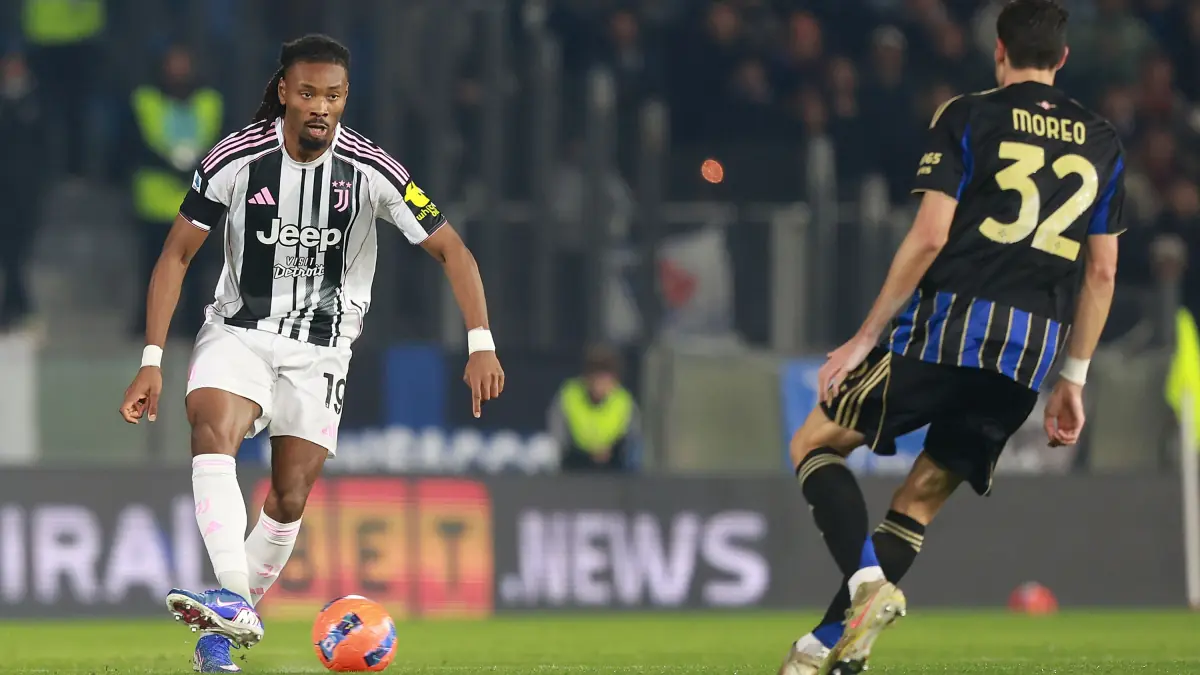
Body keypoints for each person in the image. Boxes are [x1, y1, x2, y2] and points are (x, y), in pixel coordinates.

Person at [117, 35, 505, 674]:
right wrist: (153, 357)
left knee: (290, 496)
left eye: (333, 95)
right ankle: (234, 599)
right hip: (239, 331)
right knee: (211, 429)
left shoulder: (373, 171)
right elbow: (177, 254)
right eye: (307, 93)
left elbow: (452, 250)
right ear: (284, 93)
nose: (321, 107)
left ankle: (222, 634)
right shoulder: (234, 159)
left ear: (345, 98)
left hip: (322, 349)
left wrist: (480, 342)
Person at [777, 2, 1124, 673]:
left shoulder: (967, 116)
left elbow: (931, 235)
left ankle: (866, 583)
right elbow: (1102, 271)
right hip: (1027, 357)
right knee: (917, 502)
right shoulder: (1104, 140)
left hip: (950, 331)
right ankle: (824, 650)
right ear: (1062, 58)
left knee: (814, 442)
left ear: (999, 50)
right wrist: (1073, 378)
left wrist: (863, 338)